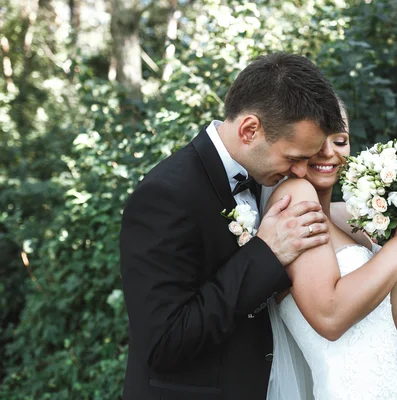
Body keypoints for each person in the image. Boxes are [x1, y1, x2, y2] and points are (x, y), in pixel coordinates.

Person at [119, 53, 346, 400]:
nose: (301, 172)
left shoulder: (269, 176)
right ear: (250, 130)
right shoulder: (164, 196)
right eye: (294, 158)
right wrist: (265, 253)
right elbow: (163, 343)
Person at [264, 101, 397, 399]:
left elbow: (395, 315)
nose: (328, 152)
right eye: (315, 139)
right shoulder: (294, 197)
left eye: (340, 140)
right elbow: (330, 319)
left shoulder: (347, 217)